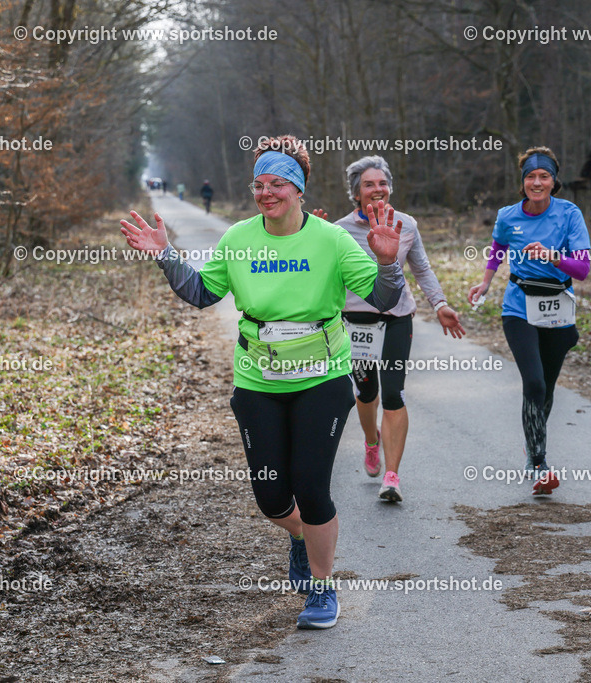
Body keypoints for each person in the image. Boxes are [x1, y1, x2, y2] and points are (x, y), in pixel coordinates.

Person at [120, 135, 405, 629]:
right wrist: (166, 254)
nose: (266, 192)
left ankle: (321, 588)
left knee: (312, 488)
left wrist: (386, 261)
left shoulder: (332, 240)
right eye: (260, 184)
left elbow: (382, 298)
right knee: (272, 497)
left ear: (298, 190)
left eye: (278, 184)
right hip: (258, 380)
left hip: (321, 376)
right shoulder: (238, 239)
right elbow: (202, 293)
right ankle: (299, 537)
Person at [319, 156, 465, 503]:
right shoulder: (338, 230)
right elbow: (324, 276)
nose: (377, 189)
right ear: (356, 192)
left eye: (382, 183)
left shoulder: (406, 225)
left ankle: (392, 475)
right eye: (368, 184)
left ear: (390, 187)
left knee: (395, 394)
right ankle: (372, 441)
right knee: (366, 393)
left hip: (398, 318)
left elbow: (423, 270)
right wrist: (313, 238)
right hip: (357, 323)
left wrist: (441, 305)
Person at [467, 146, 591, 495]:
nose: (537, 182)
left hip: (557, 307)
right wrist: (486, 281)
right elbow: (498, 249)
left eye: (544, 176)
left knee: (546, 390)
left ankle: (532, 441)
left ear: (554, 181)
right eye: (531, 177)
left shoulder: (569, 214)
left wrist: (554, 256)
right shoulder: (508, 215)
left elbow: (582, 269)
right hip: (519, 308)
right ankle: (538, 463)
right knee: (534, 384)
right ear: (522, 183)